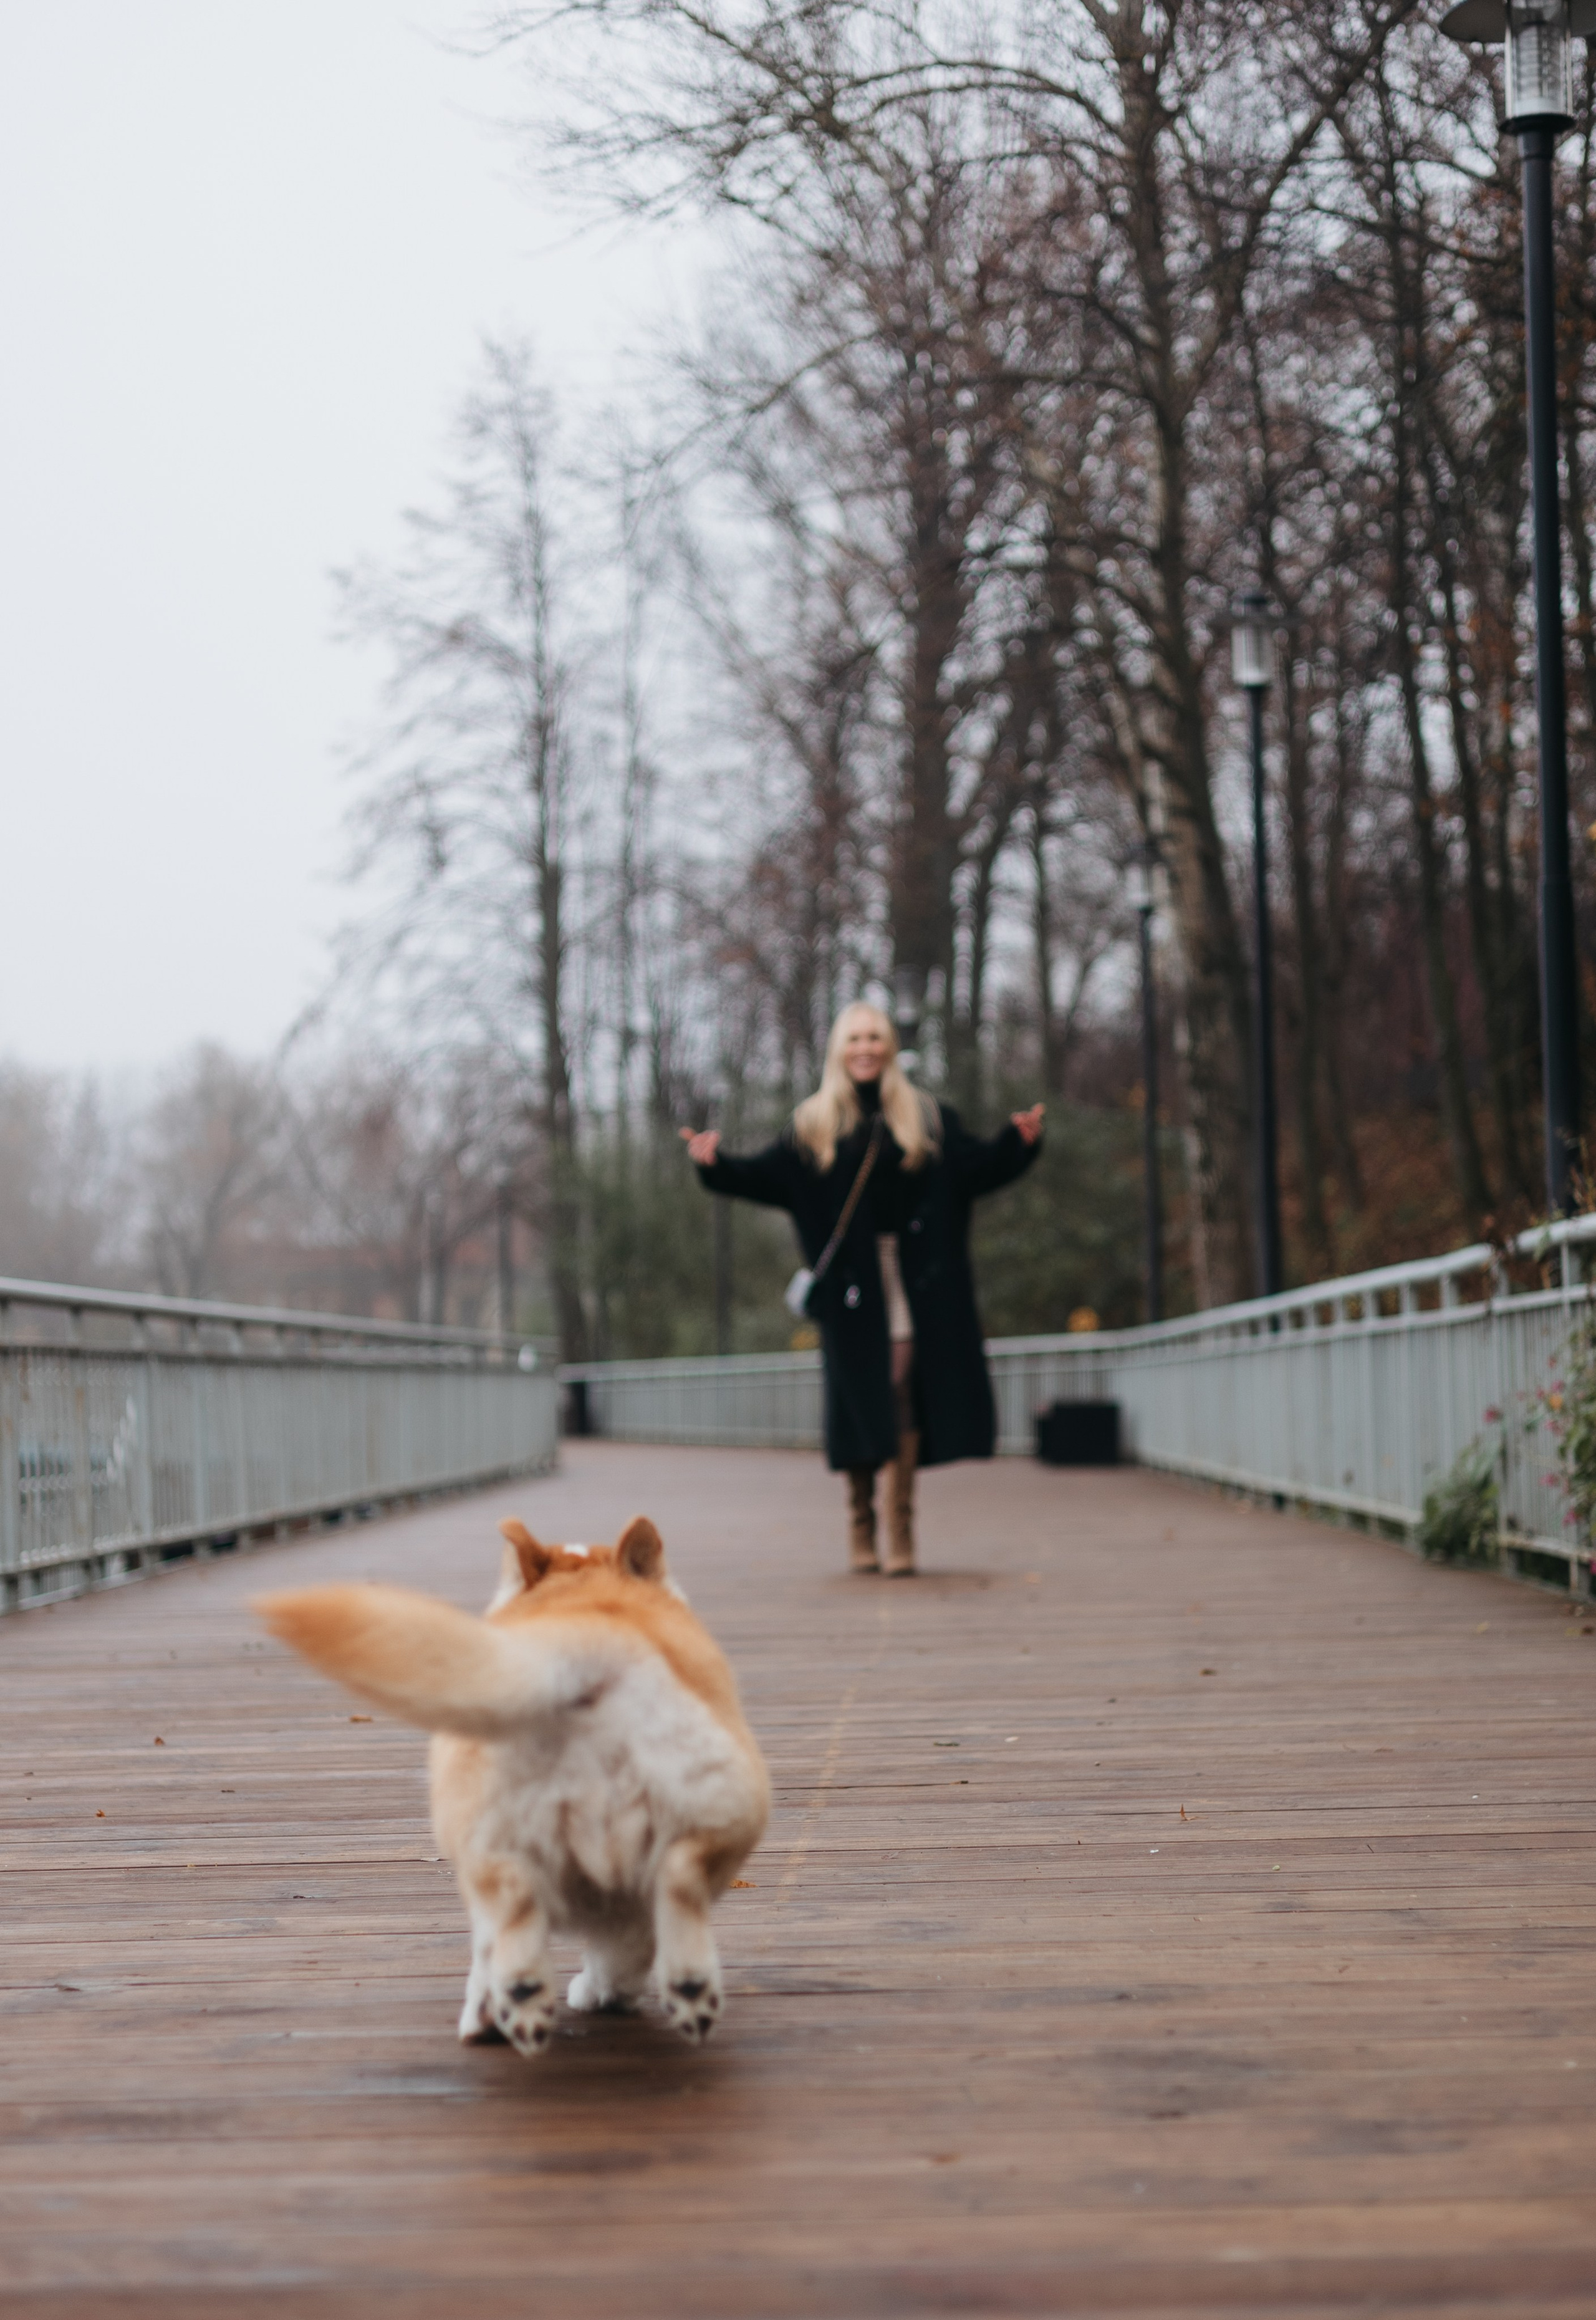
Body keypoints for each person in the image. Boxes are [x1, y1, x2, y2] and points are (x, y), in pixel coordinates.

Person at [680, 1002, 1043, 1576]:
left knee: (899, 1389)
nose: (866, 1047)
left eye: (875, 1036)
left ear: (890, 1046)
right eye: (855, 1038)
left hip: (913, 1280)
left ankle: (900, 1525)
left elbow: (975, 1167)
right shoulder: (813, 1123)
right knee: (857, 1397)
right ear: (839, 1049)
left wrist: (1018, 1143)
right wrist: (714, 1163)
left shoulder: (926, 1116)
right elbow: (760, 1176)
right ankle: (860, 1520)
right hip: (852, 1288)